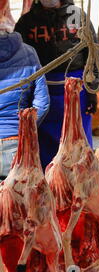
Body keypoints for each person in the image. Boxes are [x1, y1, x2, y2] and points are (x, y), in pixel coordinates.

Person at [14, 0, 98, 170]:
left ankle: (81, 186)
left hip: (76, 88)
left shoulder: (77, 15)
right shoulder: (26, 22)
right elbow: (20, 60)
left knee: (78, 141)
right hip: (41, 90)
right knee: (44, 146)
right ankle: (50, 185)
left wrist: (93, 90)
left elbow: (93, 53)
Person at [0, 16, 50, 180]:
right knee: (19, 201)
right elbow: (42, 103)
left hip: (16, 139)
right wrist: (25, 127)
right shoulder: (28, 52)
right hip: (17, 141)